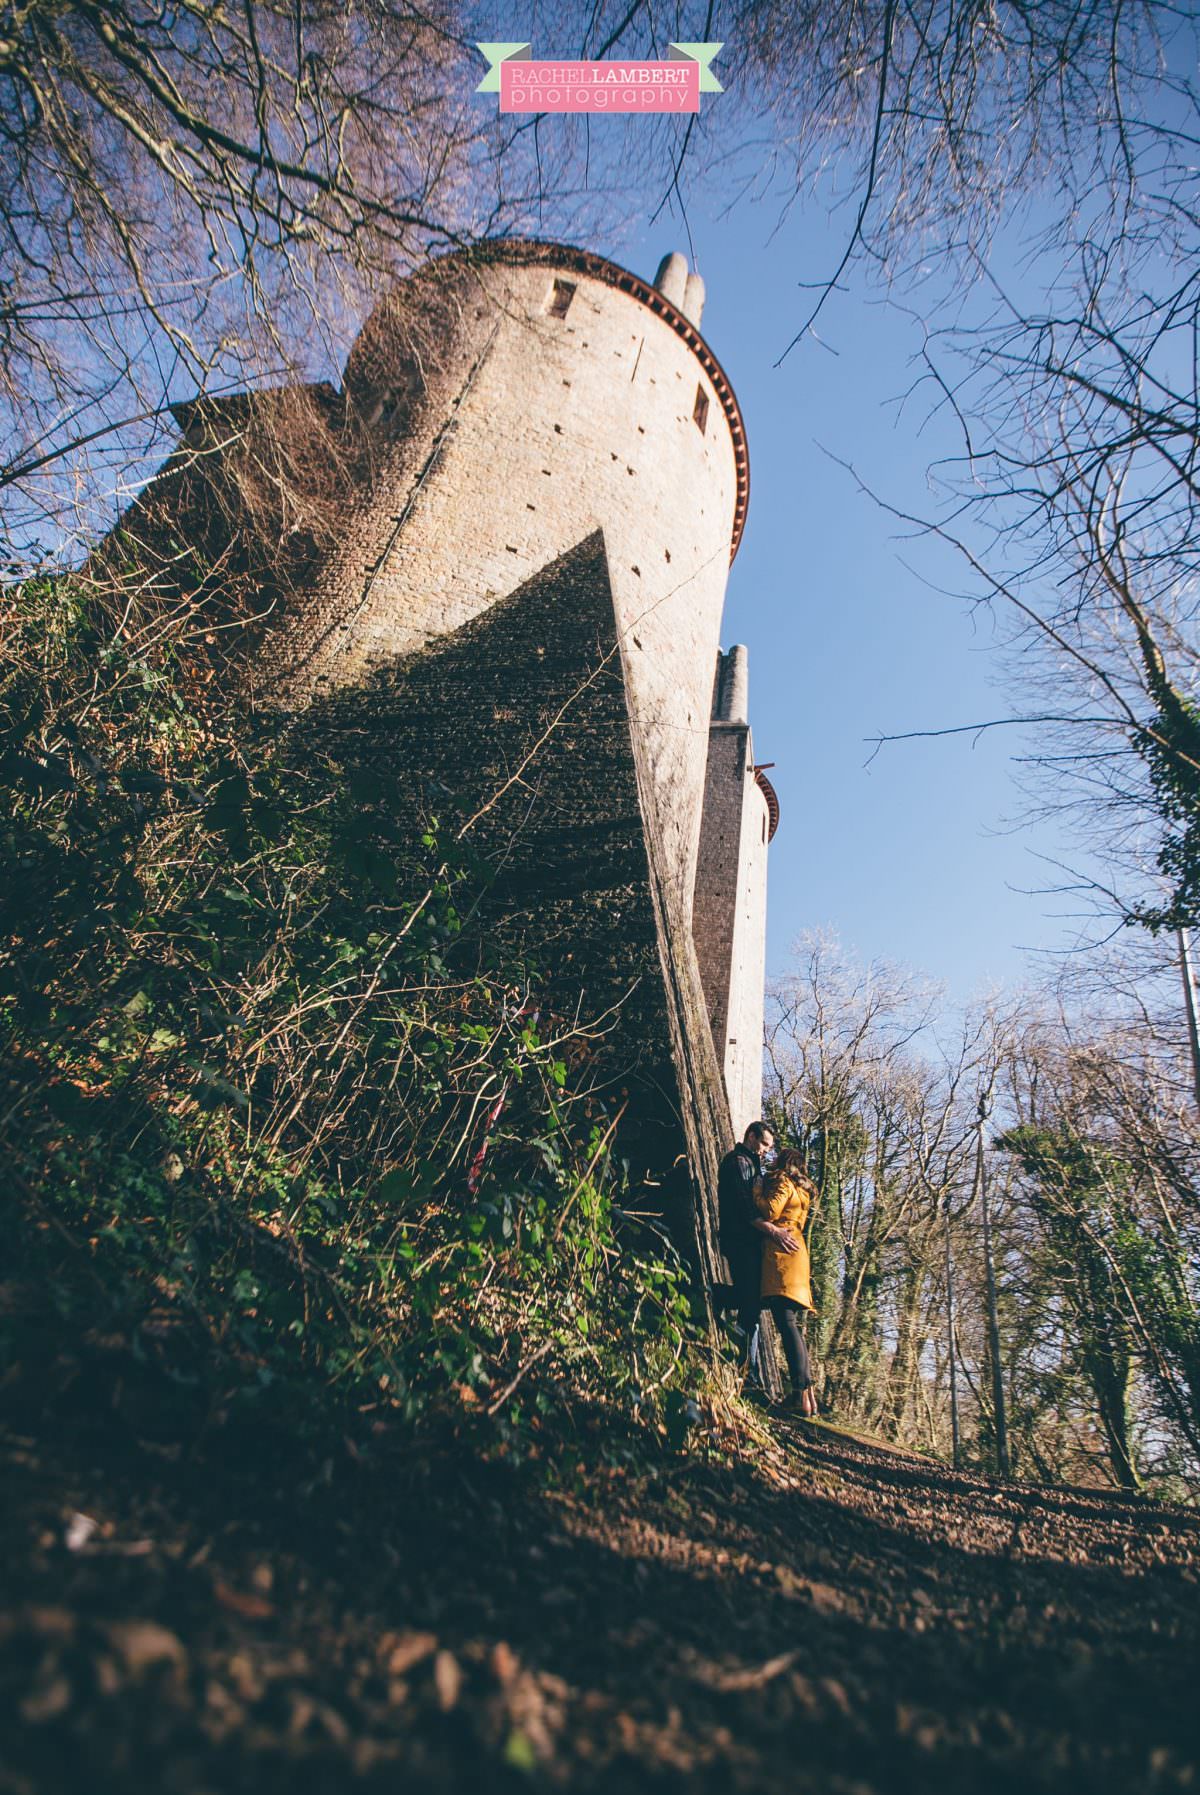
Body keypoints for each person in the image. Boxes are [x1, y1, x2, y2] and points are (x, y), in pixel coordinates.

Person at [717, 1120, 798, 1386]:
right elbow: (745, 1211)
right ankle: (748, 1374)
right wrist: (774, 1232)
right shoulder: (738, 1162)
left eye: (769, 1147)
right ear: (751, 1136)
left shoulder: (752, 1165)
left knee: (752, 1301)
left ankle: (748, 1372)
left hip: (749, 1242)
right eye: (764, 1143)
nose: (766, 1150)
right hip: (739, 1241)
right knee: (751, 1302)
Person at [756, 1146, 819, 1415]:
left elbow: (770, 1210)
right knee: (791, 1325)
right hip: (798, 1253)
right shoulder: (803, 1191)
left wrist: (758, 1190)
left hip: (783, 1255)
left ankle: (799, 1397)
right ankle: (807, 1398)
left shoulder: (782, 1181)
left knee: (787, 1324)